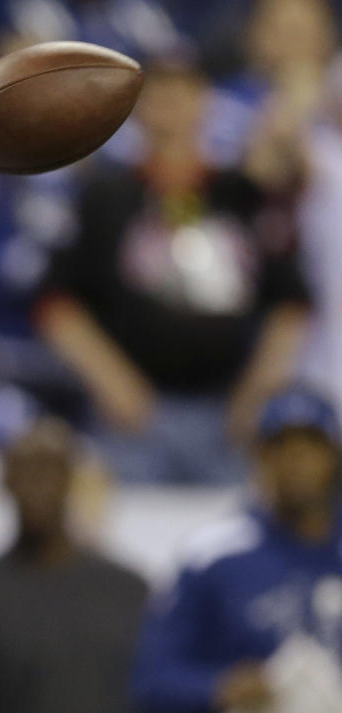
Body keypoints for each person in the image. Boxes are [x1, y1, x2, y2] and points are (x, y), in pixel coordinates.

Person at [35, 60, 310, 483]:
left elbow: (289, 306)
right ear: (137, 109)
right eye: (159, 95)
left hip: (228, 415)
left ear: (206, 104)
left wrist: (256, 396)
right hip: (133, 418)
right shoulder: (107, 195)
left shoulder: (241, 194)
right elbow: (57, 303)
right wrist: (111, 380)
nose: (171, 107)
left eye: (183, 93)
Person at [132, 386, 342, 713]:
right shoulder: (214, 556)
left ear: (334, 456)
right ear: (257, 456)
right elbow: (152, 679)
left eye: (311, 446)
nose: (296, 460)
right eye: (280, 446)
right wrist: (221, 686)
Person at [0, 418, 147, 713]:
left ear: (71, 480)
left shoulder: (128, 593)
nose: (38, 487)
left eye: (50, 472)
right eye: (25, 473)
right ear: (6, 481)